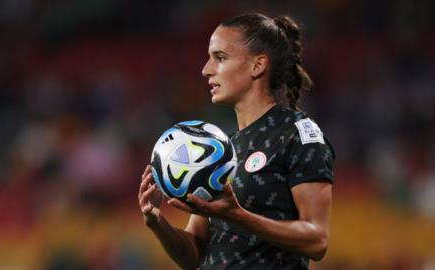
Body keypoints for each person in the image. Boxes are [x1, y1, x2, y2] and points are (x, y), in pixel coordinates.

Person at [138, 12, 334, 270]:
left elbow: (317, 240)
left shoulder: (297, 135)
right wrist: (156, 221)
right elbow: (193, 255)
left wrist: (239, 217)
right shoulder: (222, 150)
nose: (206, 70)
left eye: (220, 58)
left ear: (257, 65)